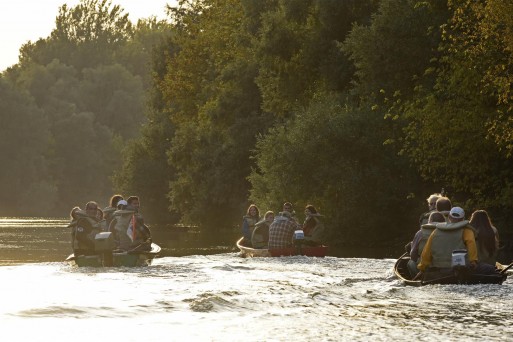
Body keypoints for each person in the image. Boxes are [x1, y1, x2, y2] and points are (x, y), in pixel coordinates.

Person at [416, 207, 478, 280]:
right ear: (463, 218)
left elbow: (427, 251)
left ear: (449, 217)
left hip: (439, 270)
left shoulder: (436, 231)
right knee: (488, 269)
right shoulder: (467, 231)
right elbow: (471, 246)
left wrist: (422, 267)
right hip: (460, 270)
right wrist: (473, 261)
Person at [407, 211, 446, 277]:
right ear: (444, 222)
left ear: (429, 221)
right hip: (444, 266)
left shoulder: (420, 233)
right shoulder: (447, 232)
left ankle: (417, 278)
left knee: (411, 263)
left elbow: (413, 255)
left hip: (426, 267)